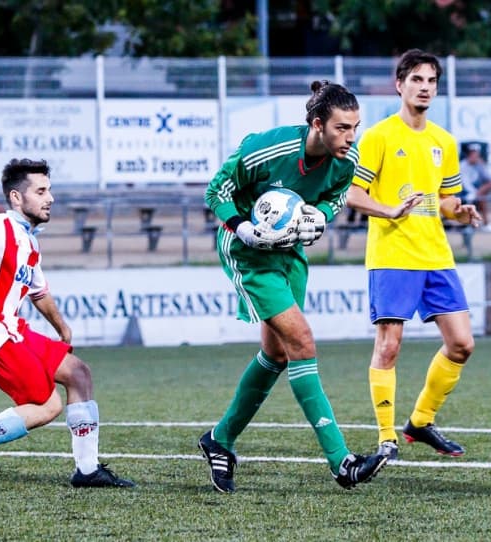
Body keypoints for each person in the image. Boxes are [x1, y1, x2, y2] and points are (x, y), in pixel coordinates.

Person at [201, 80, 388, 493]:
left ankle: (220, 439)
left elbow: (339, 195)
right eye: (342, 128)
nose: (351, 137)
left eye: (355, 126)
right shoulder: (268, 149)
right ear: (317, 124)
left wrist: (321, 214)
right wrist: (242, 226)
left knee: (278, 352)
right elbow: (217, 190)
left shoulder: (346, 157)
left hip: (291, 252)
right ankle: (342, 462)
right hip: (249, 252)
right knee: (302, 342)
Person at [0, 158, 134, 490]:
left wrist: (62, 328)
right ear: (16, 197)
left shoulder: (28, 238)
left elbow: (39, 291)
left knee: (78, 373)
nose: (50, 198)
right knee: (47, 405)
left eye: (49, 190)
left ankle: (87, 470)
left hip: (12, 327)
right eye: (41, 191)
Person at [345, 49, 483, 464]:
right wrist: (388, 210)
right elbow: (353, 193)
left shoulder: (444, 141)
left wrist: (460, 210)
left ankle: (420, 422)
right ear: (400, 85)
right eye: (417, 80)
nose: (425, 88)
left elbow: (447, 200)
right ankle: (386, 437)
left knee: (462, 345)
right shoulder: (379, 136)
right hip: (392, 254)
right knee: (389, 346)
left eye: (432, 81)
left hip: (435, 255)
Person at [459, 142, 491, 231]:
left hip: (475, 192)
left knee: (486, 189)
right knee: (481, 198)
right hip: (464, 193)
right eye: (474, 155)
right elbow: (465, 184)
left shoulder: (478, 164)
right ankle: (485, 223)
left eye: (477, 155)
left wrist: (482, 165)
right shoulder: (463, 166)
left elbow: (489, 179)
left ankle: (484, 223)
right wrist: (474, 193)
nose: (476, 157)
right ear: (469, 155)